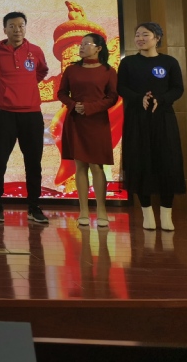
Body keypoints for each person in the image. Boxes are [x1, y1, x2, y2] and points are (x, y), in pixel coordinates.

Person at [0, 12, 50, 224]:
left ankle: (34, 206)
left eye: (21, 25)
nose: (17, 30)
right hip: (5, 114)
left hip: (32, 115)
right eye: (12, 26)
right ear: (5, 29)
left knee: (33, 163)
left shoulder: (35, 51)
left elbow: (42, 72)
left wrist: (28, 86)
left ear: (25, 28)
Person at [117, 22, 185, 231]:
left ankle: (166, 214)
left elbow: (178, 88)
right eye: (137, 34)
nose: (140, 38)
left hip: (163, 118)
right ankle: (147, 213)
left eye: (145, 34)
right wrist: (139, 98)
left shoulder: (169, 62)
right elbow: (121, 87)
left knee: (167, 161)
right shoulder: (128, 63)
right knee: (139, 161)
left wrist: (161, 99)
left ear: (157, 38)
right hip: (136, 119)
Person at [57, 33, 118, 228]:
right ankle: (83, 210)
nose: (81, 47)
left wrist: (90, 108)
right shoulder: (71, 69)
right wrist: (73, 105)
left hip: (97, 121)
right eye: (81, 44)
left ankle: (101, 210)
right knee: (80, 166)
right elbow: (61, 93)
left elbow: (112, 97)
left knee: (97, 167)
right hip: (76, 120)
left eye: (86, 44)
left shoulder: (108, 71)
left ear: (98, 48)